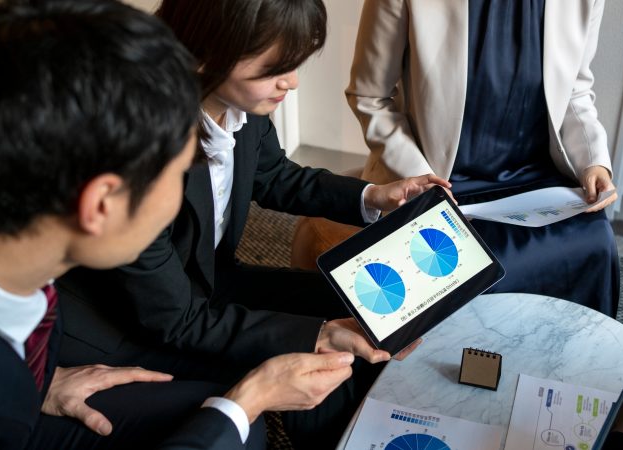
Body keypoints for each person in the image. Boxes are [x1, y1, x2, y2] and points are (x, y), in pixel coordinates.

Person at [56, 0, 450, 447]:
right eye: (275, 68)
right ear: (205, 54)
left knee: (355, 305)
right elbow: (175, 319)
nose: (293, 81)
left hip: (207, 282)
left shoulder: (242, 107)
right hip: (129, 325)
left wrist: (372, 195)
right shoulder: (142, 149)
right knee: (323, 347)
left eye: (297, 62)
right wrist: (318, 335)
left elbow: (272, 174)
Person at [0, 1, 356, 449]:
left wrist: (43, 381)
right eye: (181, 167)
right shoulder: (7, 400)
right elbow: (178, 318)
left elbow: (274, 175)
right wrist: (250, 398)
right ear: (102, 203)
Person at [342, 0, 620, 316]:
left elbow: (574, 92)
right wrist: (420, 180)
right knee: (479, 267)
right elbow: (370, 98)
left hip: (536, 177)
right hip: (439, 178)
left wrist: (593, 161)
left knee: (597, 239)